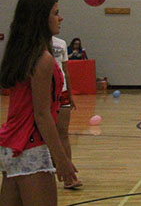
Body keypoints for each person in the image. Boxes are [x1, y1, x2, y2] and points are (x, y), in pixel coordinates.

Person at [0, 0, 78, 205]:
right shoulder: (42, 60)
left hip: (11, 145)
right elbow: (42, 114)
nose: (60, 18)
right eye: (55, 13)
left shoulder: (21, 55)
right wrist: (61, 159)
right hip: (31, 145)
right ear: (40, 19)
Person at [52, 36, 84, 190]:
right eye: (55, 14)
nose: (60, 18)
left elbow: (65, 70)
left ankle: (69, 177)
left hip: (62, 91)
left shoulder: (61, 43)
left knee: (63, 132)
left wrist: (70, 94)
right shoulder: (34, 41)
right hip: (45, 92)